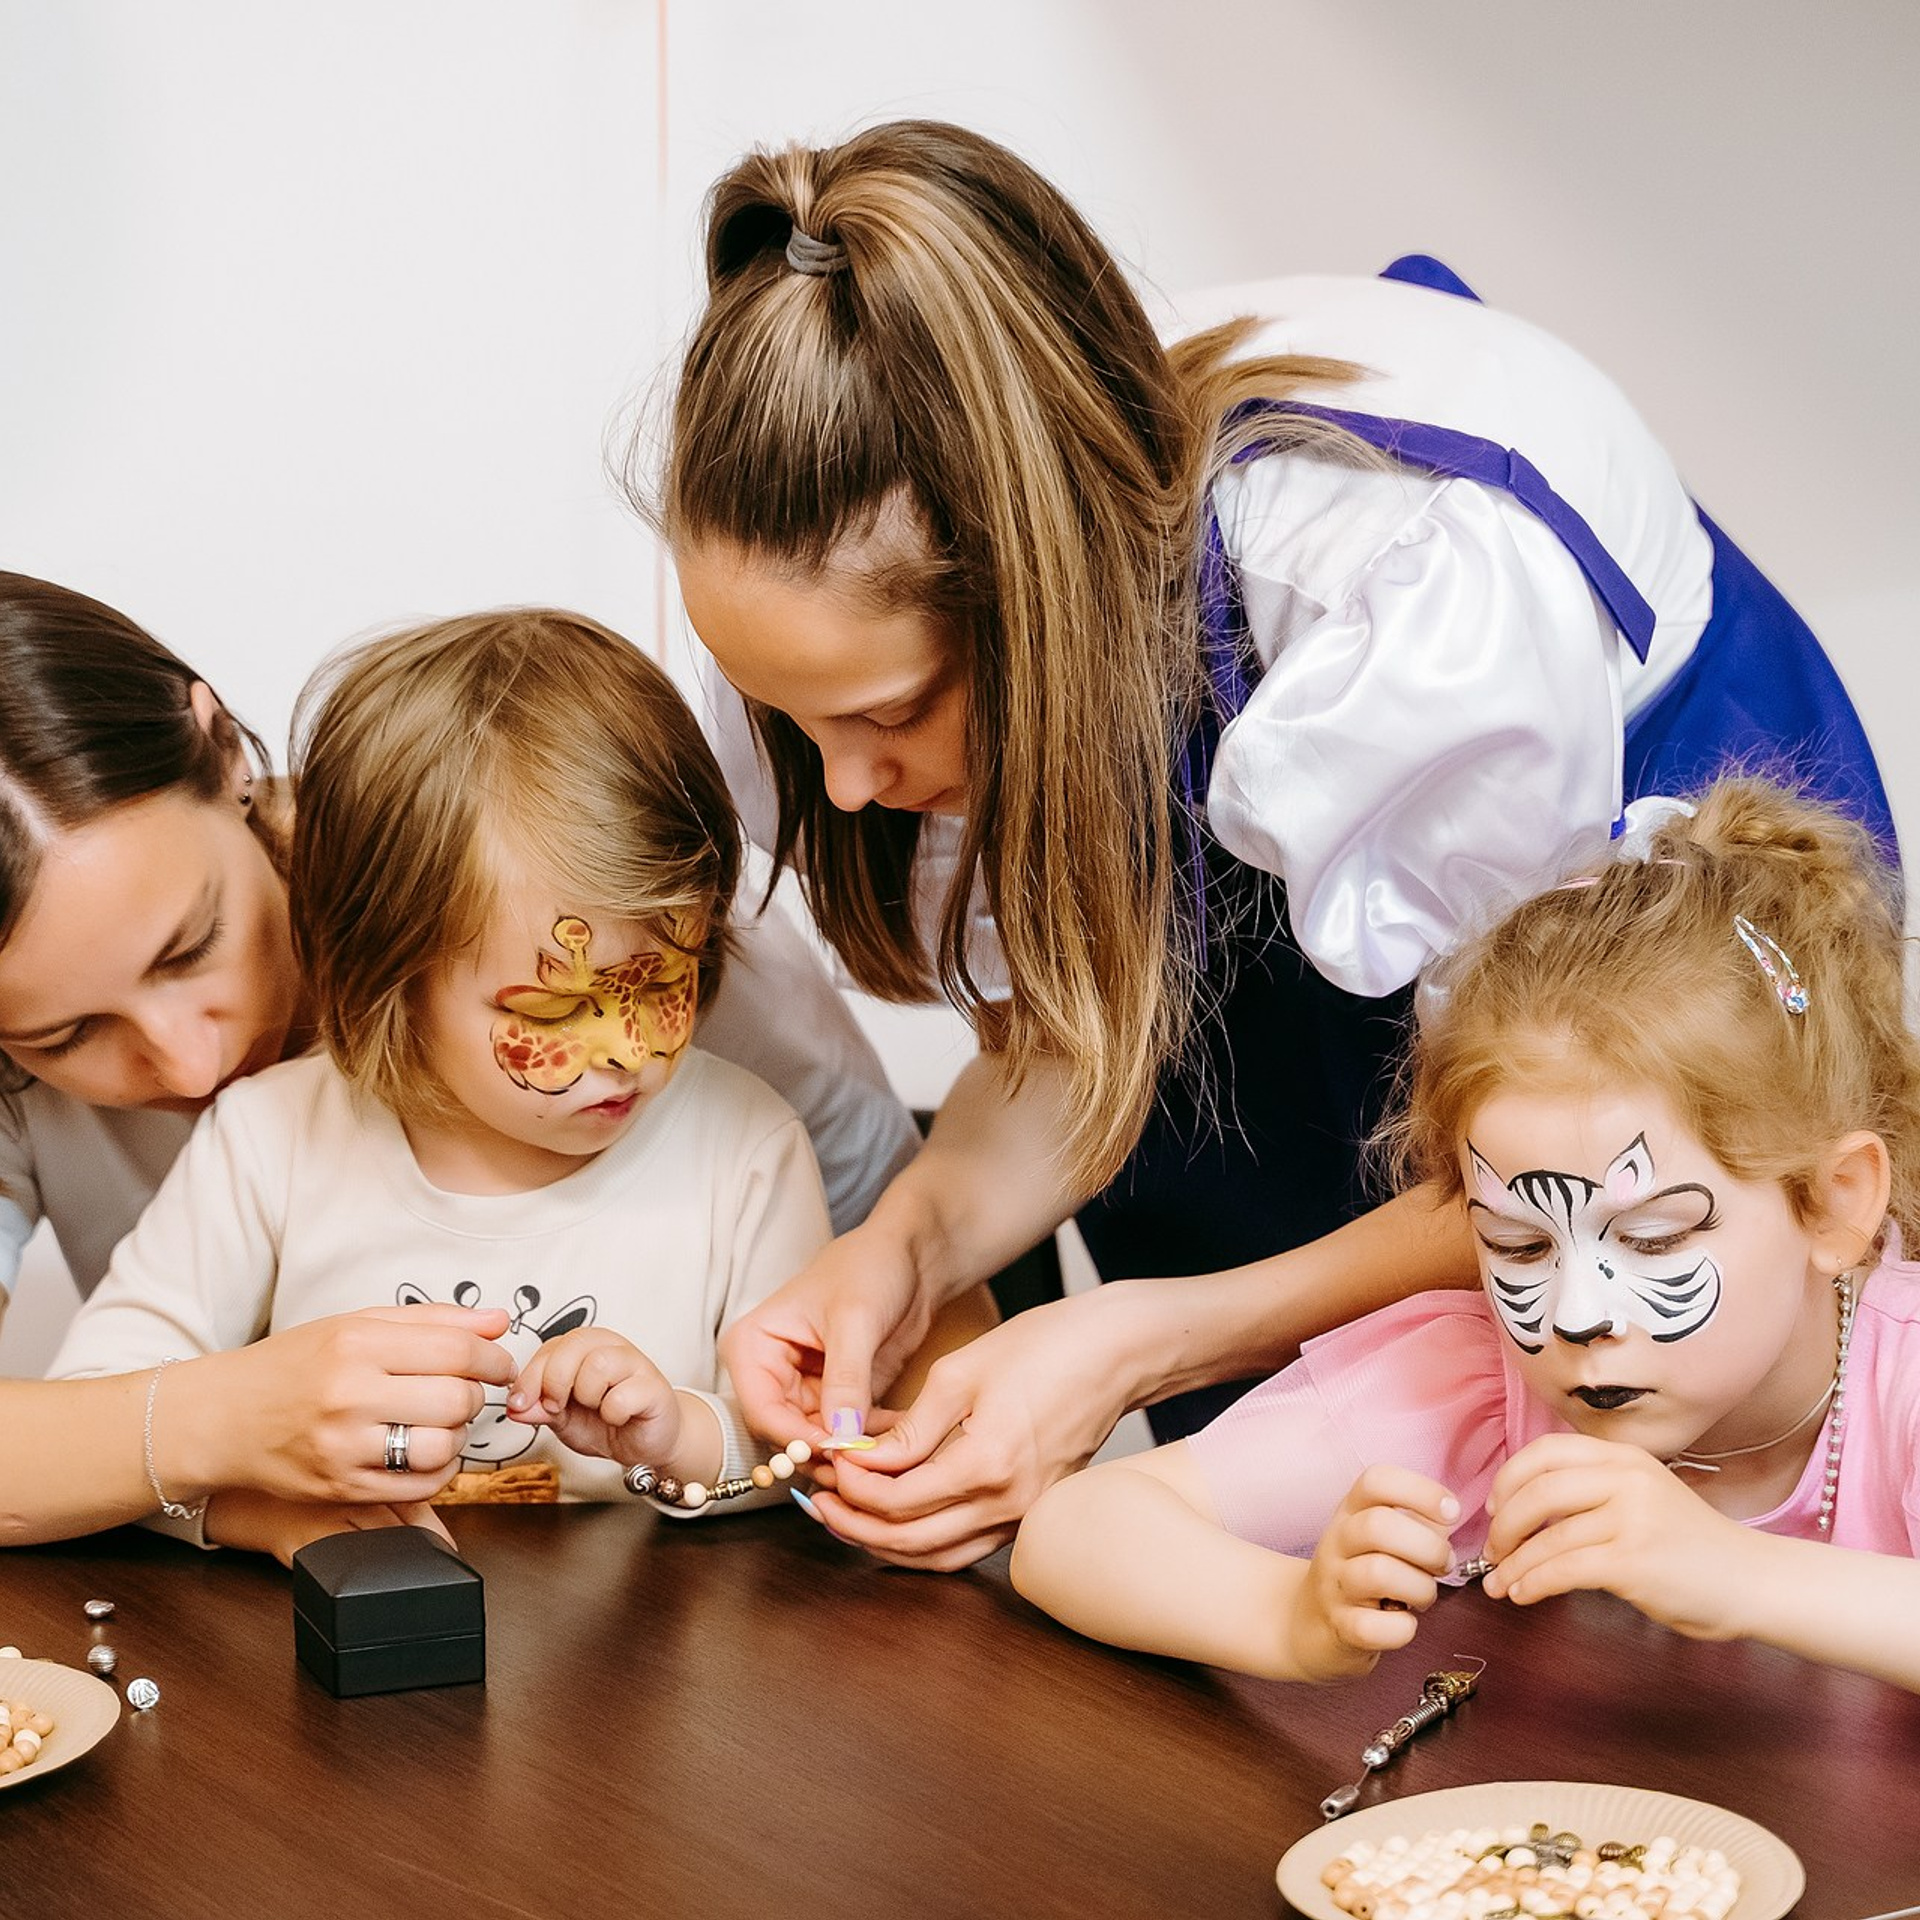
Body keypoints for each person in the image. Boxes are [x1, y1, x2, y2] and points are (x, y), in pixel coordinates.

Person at [644, 119, 1897, 1568]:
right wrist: (904, 1249)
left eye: (893, 714)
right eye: (794, 727)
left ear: (1035, 600)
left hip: (1611, 945)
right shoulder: (919, 469)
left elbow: (1545, 1168)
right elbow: (1087, 1025)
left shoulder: (1409, 603)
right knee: (1319, 1545)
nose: (845, 790)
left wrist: (1141, 1342)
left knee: (1622, 1467)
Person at [0, 573, 918, 1545]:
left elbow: (861, 1370)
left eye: (194, 944)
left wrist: (686, 1433)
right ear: (397, 977)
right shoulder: (267, 1135)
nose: (192, 1067)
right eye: (65, 1035)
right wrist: (233, 1471)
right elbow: (94, 1417)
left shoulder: (729, 1090)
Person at [1010, 780, 1920, 1695]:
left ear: (1837, 1205)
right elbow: (1075, 1531)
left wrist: (1737, 1574)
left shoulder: (1905, 1388)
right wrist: (1292, 1616)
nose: (1575, 1315)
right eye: (1521, 1247)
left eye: (1651, 1237)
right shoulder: (1475, 1386)